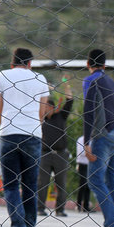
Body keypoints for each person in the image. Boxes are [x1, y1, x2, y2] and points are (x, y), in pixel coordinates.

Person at [0, 47, 50, 227]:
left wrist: (7, 126)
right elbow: (42, 112)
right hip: (33, 134)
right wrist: (32, 126)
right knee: (30, 185)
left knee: (10, 185)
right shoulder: (40, 79)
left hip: (9, 134)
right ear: (30, 63)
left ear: (12, 63)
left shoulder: (3, 75)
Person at [83, 48, 114, 227]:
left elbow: (88, 112)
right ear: (105, 65)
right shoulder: (111, 82)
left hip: (102, 134)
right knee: (112, 179)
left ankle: (112, 225)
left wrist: (86, 142)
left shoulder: (91, 81)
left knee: (95, 180)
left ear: (87, 64)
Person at [37, 79, 73, 217]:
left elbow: (69, 100)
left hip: (60, 154)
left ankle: (60, 209)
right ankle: (40, 208)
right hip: (45, 154)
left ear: (51, 107)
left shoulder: (61, 116)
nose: (43, 109)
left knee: (61, 183)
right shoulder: (40, 120)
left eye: (45, 106)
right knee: (42, 182)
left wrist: (66, 85)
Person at [75, 135, 92, 213]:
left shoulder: (93, 140)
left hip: (90, 164)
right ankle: (78, 205)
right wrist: (91, 153)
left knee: (89, 186)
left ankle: (86, 206)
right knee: (83, 184)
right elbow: (81, 152)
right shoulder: (81, 139)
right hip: (82, 164)